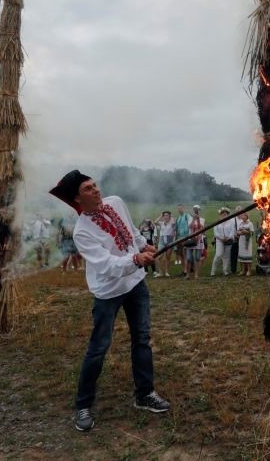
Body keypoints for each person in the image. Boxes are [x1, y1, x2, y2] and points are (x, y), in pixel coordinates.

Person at [49, 170, 169, 432]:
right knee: (99, 347)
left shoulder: (115, 202)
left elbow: (132, 232)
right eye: (88, 189)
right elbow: (106, 265)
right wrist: (135, 259)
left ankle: (145, 393)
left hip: (136, 283)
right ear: (77, 200)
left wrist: (143, 246)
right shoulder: (82, 231)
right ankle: (83, 405)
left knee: (142, 338)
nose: (96, 190)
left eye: (94, 185)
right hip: (108, 291)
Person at [211, 207, 236, 276]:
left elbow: (232, 231)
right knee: (218, 255)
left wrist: (228, 238)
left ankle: (225, 271)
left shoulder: (231, 222)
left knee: (226, 256)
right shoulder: (217, 222)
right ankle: (213, 271)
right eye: (222, 214)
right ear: (220, 215)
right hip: (219, 240)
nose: (224, 215)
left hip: (228, 240)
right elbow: (215, 232)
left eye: (225, 214)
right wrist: (221, 238)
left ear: (227, 214)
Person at [185, 205, 207, 280]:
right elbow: (190, 226)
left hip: (198, 240)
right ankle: (187, 274)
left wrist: (197, 219)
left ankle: (196, 274)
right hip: (190, 240)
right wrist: (194, 219)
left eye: (197, 210)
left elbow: (202, 228)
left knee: (197, 258)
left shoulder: (202, 219)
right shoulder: (190, 218)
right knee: (188, 258)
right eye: (195, 210)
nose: (196, 211)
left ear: (199, 211)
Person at [155, 211, 175, 277]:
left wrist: (171, 216)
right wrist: (161, 216)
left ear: (169, 216)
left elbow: (174, 223)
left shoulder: (171, 223)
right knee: (160, 256)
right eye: (164, 215)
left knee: (167, 257)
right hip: (162, 240)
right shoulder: (161, 223)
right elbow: (155, 222)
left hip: (170, 240)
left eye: (167, 215)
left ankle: (166, 271)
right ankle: (160, 272)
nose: (165, 217)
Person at [236, 212, 255, 276]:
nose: (243, 217)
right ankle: (243, 270)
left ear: (247, 217)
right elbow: (237, 232)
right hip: (241, 241)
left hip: (247, 242)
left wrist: (246, 232)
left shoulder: (250, 224)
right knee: (241, 255)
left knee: (247, 254)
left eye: (244, 216)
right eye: (242, 216)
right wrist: (240, 233)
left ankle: (249, 271)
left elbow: (252, 233)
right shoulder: (240, 223)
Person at [175, 204, 191, 276]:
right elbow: (177, 228)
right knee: (181, 254)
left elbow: (190, 226)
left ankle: (186, 270)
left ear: (184, 208)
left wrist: (188, 237)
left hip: (186, 237)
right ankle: (184, 269)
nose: (180, 210)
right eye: (178, 209)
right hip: (179, 238)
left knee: (185, 254)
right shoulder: (178, 218)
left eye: (181, 208)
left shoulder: (187, 216)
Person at [230, 205, 242, 275]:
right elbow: (231, 229)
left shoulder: (244, 219)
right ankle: (233, 269)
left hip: (242, 240)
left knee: (242, 255)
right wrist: (235, 235)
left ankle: (243, 269)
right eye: (237, 211)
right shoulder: (233, 220)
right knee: (234, 255)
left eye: (240, 211)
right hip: (235, 240)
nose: (239, 213)